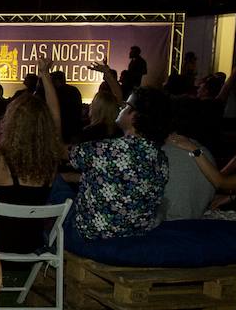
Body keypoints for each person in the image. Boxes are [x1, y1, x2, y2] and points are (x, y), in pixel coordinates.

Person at [69, 65, 170, 241]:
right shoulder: (160, 158)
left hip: (93, 237)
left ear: (134, 115)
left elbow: (62, 153)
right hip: (135, 236)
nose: (120, 107)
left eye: (125, 106)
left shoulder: (106, 150)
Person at [0, 69, 64, 253]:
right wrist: (45, 76)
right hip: (32, 245)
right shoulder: (49, 162)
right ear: (44, 125)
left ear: (11, 121)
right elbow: (56, 119)